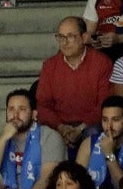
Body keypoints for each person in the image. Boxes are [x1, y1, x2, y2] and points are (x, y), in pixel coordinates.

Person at [39, 18, 117, 149]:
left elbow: (105, 104)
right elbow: (43, 106)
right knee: (45, 135)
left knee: (94, 134)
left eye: (70, 37)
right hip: (60, 125)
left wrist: (80, 129)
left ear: (84, 37)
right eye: (60, 37)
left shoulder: (102, 63)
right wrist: (62, 128)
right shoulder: (50, 66)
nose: (64, 42)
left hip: (90, 125)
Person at [0, 89, 67, 189]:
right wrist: (3, 138)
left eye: (22, 109)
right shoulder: (1, 139)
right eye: (11, 109)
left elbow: (46, 179)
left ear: (34, 114)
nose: (15, 115)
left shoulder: (49, 137)